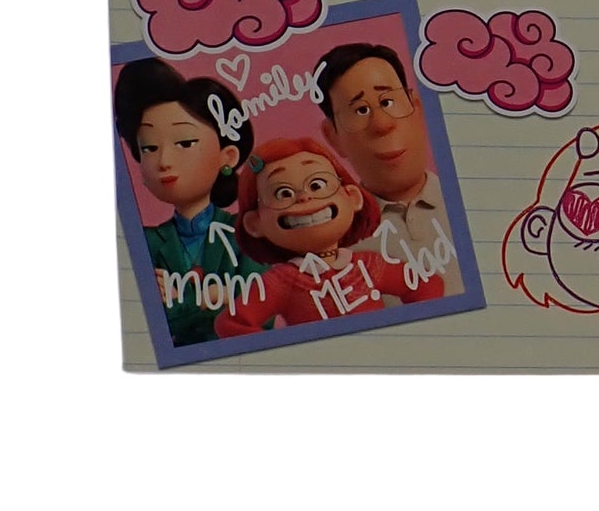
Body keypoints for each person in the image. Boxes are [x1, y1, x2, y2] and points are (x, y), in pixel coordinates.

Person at [216, 138, 443, 335]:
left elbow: (428, 285)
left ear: (352, 197)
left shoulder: (370, 266)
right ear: (255, 223)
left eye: (317, 185)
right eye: (283, 193)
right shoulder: (280, 282)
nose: (304, 198)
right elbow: (233, 324)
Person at [111, 59, 266, 346]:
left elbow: (261, 312)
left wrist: (180, 300)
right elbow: (143, 320)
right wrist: (217, 296)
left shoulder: (250, 232)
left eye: (184, 143)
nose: (164, 161)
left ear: (227, 156)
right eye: (149, 148)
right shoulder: (144, 242)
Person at [315, 42, 462, 295]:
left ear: (416, 109)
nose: (382, 124)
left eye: (388, 102)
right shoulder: (332, 247)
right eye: (360, 110)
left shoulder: (473, 197)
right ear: (333, 137)